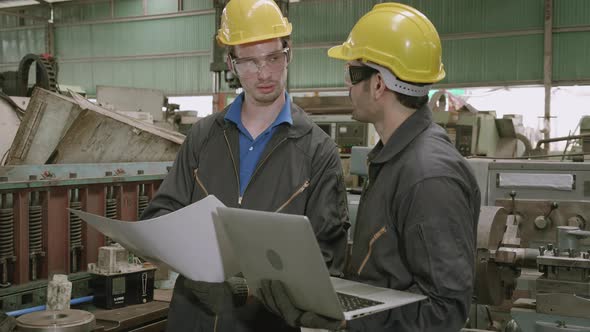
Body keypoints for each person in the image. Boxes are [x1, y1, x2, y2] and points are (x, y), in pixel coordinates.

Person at [258, 3, 481, 332]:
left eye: (350, 73)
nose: (346, 86)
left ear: (378, 84)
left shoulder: (428, 176)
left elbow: (444, 311)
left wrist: (352, 323)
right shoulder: (396, 158)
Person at [140, 0, 349, 331]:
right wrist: (191, 258)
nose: (264, 73)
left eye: (273, 58)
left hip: (265, 323)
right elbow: (160, 215)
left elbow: (328, 263)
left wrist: (253, 287)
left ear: (288, 53)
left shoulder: (317, 151)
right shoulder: (202, 137)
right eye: (249, 62)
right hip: (192, 318)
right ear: (230, 63)